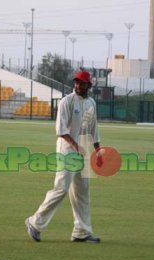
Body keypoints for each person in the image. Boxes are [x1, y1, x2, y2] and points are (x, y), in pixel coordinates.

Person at [25, 70, 102, 243]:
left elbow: (94, 129)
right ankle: (35, 222)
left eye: (82, 83)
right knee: (61, 189)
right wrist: (75, 146)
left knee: (82, 193)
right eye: (76, 82)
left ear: (89, 85)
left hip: (83, 152)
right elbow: (61, 130)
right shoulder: (66, 102)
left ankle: (81, 232)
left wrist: (98, 150)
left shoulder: (91, 103)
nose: (78, 85)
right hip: (67, 151)